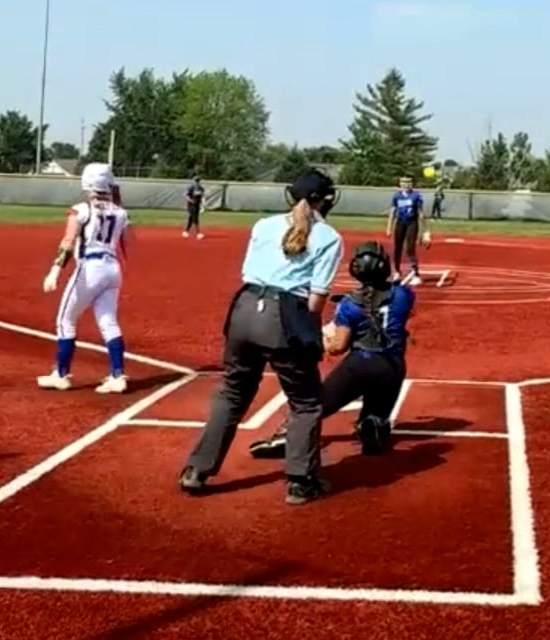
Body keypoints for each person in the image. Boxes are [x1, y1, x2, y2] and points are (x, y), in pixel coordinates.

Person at [180, 169, 344, 505]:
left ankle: (196, 470)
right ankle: (300, 481)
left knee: (232, 392)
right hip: (285, 315)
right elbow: (314, 302)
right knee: (306, 401)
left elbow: (251, 272)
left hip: (243, 310)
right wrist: (314, 333)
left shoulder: (263, 225)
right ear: (324, 201)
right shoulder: (329, 237)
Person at [248, 240, 415, 460]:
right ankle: (373, 424)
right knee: (375, 415)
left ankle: (289, 435)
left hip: (360, 365)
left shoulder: (349, 304)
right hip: (393, 367)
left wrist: (323, 338)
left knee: (315, 404)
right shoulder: (403, 295)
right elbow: (389, 311)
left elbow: (338, 346)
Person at [37, 162, 133, 394]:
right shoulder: (121, 212)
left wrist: (55, 271)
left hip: (90, 268)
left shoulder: (81, 209)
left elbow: (68, 242)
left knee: (65, 320)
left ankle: (61, 374)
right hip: (112, 269)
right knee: (108, 322)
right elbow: (128, 240)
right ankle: (117, 375)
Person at [387, 175, 424, 286]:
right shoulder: (397, 196)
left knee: (410, 248)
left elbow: (420, 213)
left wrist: (423, 231)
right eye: (403, 182)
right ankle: (397, 271)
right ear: (400, 184)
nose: (406, 185)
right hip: (400, 223)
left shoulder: (416, 196)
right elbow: (393, 211)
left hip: (412, 222)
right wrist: (389, 227)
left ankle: (415, 273)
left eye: (408, 182)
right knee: (397, 248)